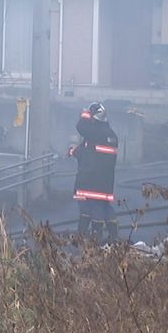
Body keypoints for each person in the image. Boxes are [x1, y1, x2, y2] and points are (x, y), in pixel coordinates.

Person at [71, 102, 120, 243]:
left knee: (93, 208)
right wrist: (74, 151)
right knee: (105, 208)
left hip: (90, 181)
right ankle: (114, 237)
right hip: (106, 182)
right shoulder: (111, 135)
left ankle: (94, 239)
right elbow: (92, 153)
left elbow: (80, 127)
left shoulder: (94, 132)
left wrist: (85, 112)